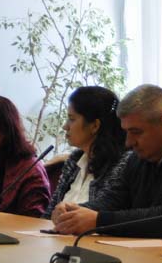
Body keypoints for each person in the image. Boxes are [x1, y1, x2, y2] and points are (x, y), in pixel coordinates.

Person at [54, 84, 162, 237]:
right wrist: (73, 213)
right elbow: (114, 201)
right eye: (126, 132)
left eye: (136, 132)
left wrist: (99, 221)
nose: (128, 142)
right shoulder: (140, 157)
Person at [45, 86, 129, 220]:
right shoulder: (74, 161)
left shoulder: (122, 164)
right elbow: (49, 215)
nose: (65, 126)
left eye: (72, 119)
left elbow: (106, 210)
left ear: (95, 125)